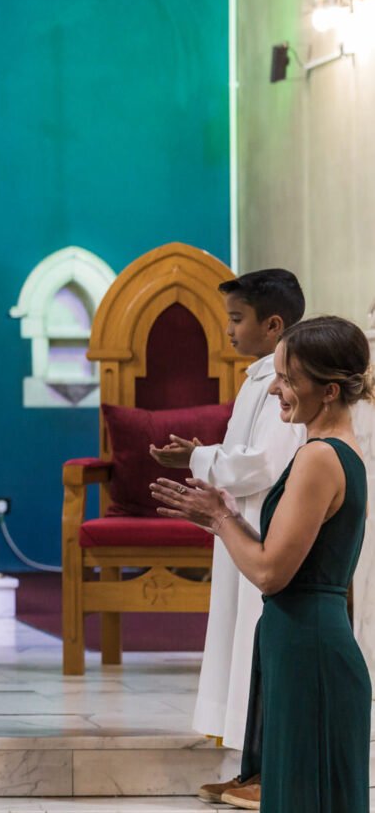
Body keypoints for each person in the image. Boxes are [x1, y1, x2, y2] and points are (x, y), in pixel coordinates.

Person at [153, 316, 373, 812]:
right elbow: (292, 556)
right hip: (303, 644)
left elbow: (272, 572)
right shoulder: (334, 452)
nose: (275, 389)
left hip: (309, 653)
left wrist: (217, 517)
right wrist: (225, 516)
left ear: (330, 390)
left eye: (289, 379)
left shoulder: (320, 457)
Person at [147, 270, 304, 802]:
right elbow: (245, 457)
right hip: (241, 522)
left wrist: (198, 458)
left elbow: (265, 463)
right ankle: (251, 766)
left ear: (273, 323)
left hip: (267, 529)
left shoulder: (286, 377)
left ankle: (269, 773)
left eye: (237, 320)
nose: (229, 331)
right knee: (243, 648)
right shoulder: (259, 373)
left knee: (259, 651)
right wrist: (204, 454)